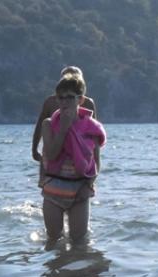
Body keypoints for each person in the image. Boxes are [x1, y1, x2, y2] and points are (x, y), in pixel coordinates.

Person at [40, 72, 105, 249]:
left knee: (79, 242)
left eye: (69, 97)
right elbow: (51, 154)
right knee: (53, 241)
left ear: (80, 100)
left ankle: (78, 274)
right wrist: (63, 129)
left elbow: (96, 163)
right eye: (60, 98)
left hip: (79, 190)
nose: (64, 102)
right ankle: (56, 274)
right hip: (54, 189)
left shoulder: (92, 128)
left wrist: (89, 185)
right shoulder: (49, 124)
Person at [31, 65, 96, 181]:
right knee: (47, 185)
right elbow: (40, 125)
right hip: (53, 149)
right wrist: (34, 149)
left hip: (78, 154)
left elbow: (94, 133)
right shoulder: (51, 102)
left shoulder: (88, 103)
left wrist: (93, 165)